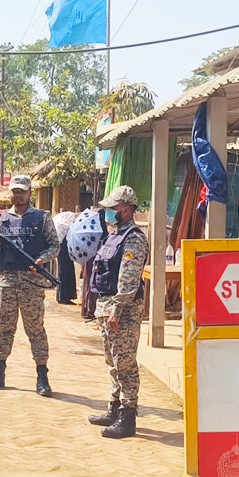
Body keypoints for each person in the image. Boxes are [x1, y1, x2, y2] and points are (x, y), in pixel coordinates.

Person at [0, 174, 60, 397]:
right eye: (15, 191)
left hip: (32, 282)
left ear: (29, 193)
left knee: (36, 329)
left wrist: (43, 258)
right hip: (6, 281)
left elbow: (55, 245)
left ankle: (42, 376)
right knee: (4, 327)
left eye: (22, 191)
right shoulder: (1, 217)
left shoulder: (42, 218)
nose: (18, 195)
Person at [87, 186, 148, 439]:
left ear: (126, 209)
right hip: (107, 305)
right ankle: (114, 407)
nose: (109, 212)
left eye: (113, 208)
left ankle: (128, 415)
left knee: (125, 362)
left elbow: (129, 277)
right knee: (112, 361)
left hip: (122, 309)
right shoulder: (114, 235)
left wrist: (117, 308)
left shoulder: (133, 238)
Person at [56, 237, 77, 305]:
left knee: (67, 270)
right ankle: (63, 297)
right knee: (64, 271)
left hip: (66, 245)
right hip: (63, 245)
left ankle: (65, 296)